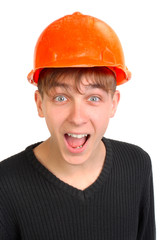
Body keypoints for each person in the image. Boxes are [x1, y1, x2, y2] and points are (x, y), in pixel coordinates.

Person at [0, 12, 156, 240]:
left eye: (93, 98)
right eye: (61, 98)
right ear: (39, 104)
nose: (77, 117)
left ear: (113, 104)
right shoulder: (5, 184)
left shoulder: (137, 165)